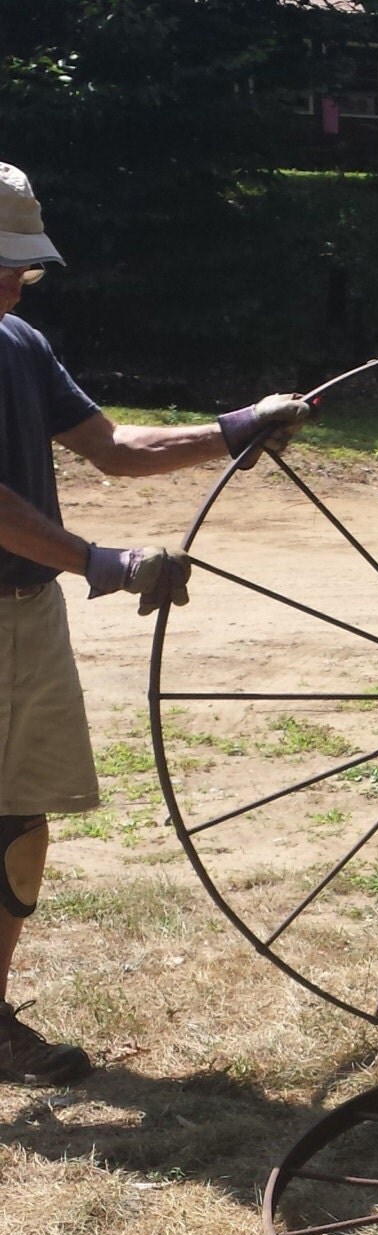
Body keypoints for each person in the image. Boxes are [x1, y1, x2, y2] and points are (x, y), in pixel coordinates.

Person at [0, 161, 310, 1086]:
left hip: (24, 614)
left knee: (19, 820)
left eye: (22, 265)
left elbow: (114, 449)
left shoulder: (17, 343)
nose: (15, 280)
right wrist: (103, 562)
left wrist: (235, 428)